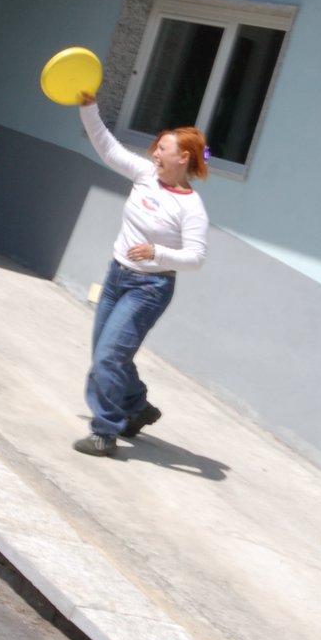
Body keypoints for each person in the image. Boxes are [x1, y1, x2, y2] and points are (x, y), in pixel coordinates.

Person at [74, 92, 209, 457]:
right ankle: (137, 407)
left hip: (149, 288)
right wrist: (89, 107)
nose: (155, 154)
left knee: (107, 359)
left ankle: (104, 433)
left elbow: (196, 258)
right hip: (117, 276)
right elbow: (107, 148)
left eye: (163, 149)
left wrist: (157, 252)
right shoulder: (146, 175)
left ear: (183, 158)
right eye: (156, 148)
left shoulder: (191, 207)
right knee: (108, 354)